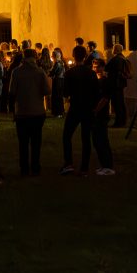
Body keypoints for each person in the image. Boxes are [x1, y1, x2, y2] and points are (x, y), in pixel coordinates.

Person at [8, 48, 50, 176]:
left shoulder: (16, 72)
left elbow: (12, 92)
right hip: (37, 112)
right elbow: (47, 91)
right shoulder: (40, 72)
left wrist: (12, 109)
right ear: (35, 57)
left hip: (22, 111)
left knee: (23, 142)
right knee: (36, 142)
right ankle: (36, 166)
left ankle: (24, 168)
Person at [60, 45, 98, 176]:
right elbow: (96, 92)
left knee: (67, 136)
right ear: (85, 56)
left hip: (75, 107)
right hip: (87, 108)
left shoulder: (70, 73)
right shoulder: (92, 73)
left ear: (73, 56)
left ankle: (69, 163)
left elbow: (65, 93)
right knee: (86, 138)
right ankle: (84, 168)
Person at [91, 59, 115, 176]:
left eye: (98, 67)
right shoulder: (95, 80)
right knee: (96, 141)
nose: (95, 69)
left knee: (102, 140)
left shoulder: (105, 81)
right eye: (94, 66)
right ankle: (103, 165)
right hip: (96, 114)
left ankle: (108, 166)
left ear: (102, 67)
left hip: (101, 115)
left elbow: (105, 98)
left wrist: (96, 110)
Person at [105, 44, 130, 127]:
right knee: (121, 103)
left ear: (116, 50)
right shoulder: (123, 58)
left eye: (114, 48)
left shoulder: (115, 59)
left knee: (117, 104)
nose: (113, 49)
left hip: (115, 84)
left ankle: (118, 122)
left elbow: (106, 68)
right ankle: (123, 121)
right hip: (121, 84)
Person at [49, 48, 65, 117]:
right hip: (61, 80)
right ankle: (60, 111)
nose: (51, 57)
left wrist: (49, 73)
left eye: (52, 56)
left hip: (57, 80)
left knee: (56, 96)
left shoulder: (57, 63)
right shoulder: (61, 63)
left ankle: (57, 112)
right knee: (59, 96)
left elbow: (53, 72)